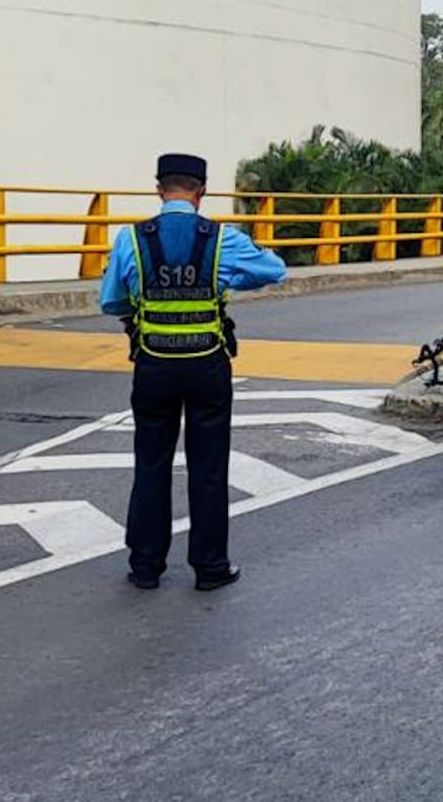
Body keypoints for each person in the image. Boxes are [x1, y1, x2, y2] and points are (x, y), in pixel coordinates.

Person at [99, 153, 288, 591]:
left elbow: (111, 302)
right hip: (207, 366)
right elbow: (274, 271)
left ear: (158, 189)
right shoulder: (221, 239)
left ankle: (145, 567)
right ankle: (210, 567)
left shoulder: (131, 239)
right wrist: (227, 280)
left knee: (150, 464)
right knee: (208, 467)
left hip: (153, 364)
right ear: (201, 192)